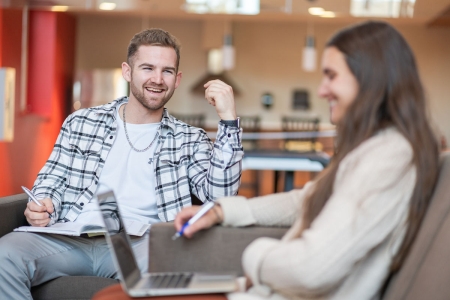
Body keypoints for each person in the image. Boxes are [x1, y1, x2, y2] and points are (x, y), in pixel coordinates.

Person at [174, 21, 440, 300]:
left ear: (370, 79)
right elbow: (304, 200)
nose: (322, 90)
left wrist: (254, 255)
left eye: (331, 76)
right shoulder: (374, 148)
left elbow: (310, 270)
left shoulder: (390, 156)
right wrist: (219, 211)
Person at [0, 28, 243, 299]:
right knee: (5, 254)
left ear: (177, 80)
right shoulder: (82, 122)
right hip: (71, 237)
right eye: (147, 68)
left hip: (144, 245)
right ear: (128, 72)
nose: (157, 79)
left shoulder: (189, 138)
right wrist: (44, 204)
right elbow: (51, 181)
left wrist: (228, 121)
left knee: (178, 276)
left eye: (167, 71)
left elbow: (221, 196)